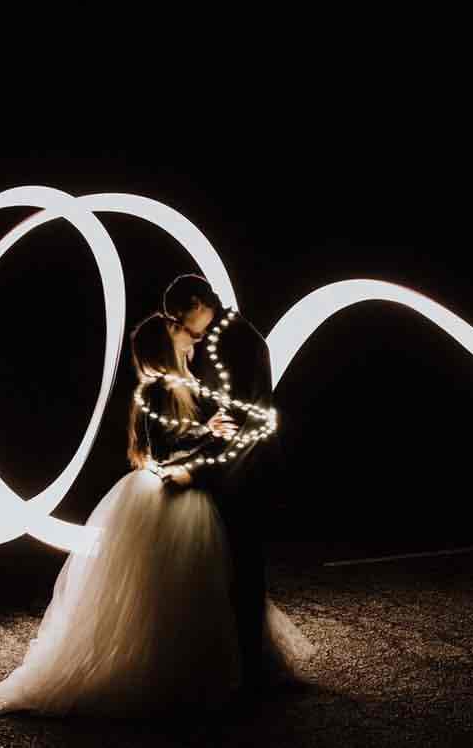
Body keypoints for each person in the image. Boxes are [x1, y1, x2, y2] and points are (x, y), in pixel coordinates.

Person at [0, 311, 315, 718]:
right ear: (165, 345)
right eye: (180, 331)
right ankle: (172, 673)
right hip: (166, 493)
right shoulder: (154, 390)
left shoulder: (190, 383)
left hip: (189, 491)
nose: (190, 334)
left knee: (198, 586)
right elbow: (162, 443)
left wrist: (212, 431)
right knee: (167, 591)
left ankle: (207, 667)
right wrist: (208, 432)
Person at [159, 273, 285, 699]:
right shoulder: (220, 339)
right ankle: (234, 668)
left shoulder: (240, 341)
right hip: (225, 471)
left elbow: (255, 422)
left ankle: (249, 674)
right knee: (224, 572)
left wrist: (203, 471)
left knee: (243, 572)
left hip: (241, 477)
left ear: (199, 302)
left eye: (181, 314)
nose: (181, 324)